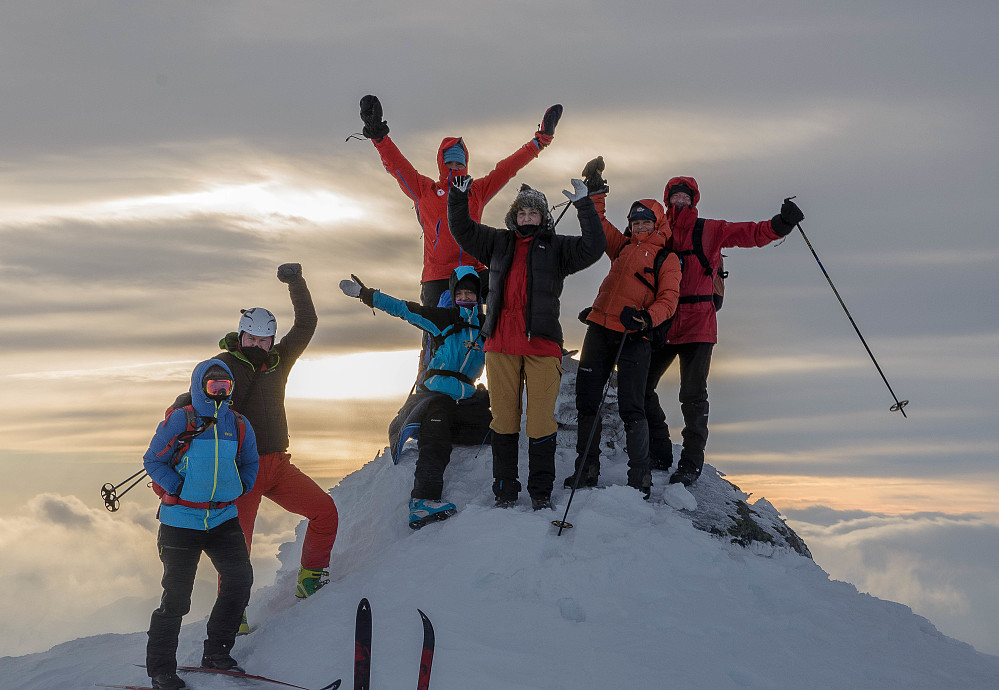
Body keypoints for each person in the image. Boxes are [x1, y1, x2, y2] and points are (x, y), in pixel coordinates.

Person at [172, 264, 338, 610]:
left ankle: (310, 579)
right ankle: (234, 613)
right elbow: (193, 396)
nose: (259, 345)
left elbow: (307, 323)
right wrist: (177, 419)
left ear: (272, 340)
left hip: (278, 464)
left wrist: (296, 282)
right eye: (252, 339)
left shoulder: (280, 360)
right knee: (238, 544)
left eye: (265, 340)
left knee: (324, 512)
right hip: (240, 469)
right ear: (240, 335)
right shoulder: (224, 365)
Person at [448, 175, 606, 510]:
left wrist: (584, 206)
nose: (527, 218)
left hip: (542, 348)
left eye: (534, 213)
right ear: (513, 217)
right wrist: (458, 199)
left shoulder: (558, 248)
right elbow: (463, 231)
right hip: (501, 346)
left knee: (540, 422)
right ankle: (505, 489)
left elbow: (594, 247)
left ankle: (540, 491)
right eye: (522, 213)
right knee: (503, 420)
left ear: (544, 217)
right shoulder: (497, 243)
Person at [645, 177, 804, 486]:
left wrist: (781, 224)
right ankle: (660, 451)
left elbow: (750, 234)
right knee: (641, 386)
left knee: (692, 395)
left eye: (684, 198)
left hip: (699, 323)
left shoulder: (710, 229)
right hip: (664, 321)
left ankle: (690, 464)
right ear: (667, 200)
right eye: (674, 197)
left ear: (693, 201)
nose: (679, 202)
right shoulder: (656, 230)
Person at [358, 94, 562, 307]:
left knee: (509, 293)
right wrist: (378, 136)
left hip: (473, 271)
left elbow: (507, 169)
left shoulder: (476, 191)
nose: (454, 167)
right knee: (436, 331)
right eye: (450, 163)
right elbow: (398, 165)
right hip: (437, 277)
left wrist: (539, 142)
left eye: (459, 163)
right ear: (441, 164)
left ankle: (507, 339)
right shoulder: (424, 190)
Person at [339, 266, 489, 529]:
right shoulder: (443, 318)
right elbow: (403, 309)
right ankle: (423, 500)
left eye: (471, 293)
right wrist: (366, 295)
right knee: (439, 415)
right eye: (460, 293)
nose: (465, 297)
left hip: (465, 399)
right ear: (454, 296)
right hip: (434, 396)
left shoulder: (486, 328)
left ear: (479, 297)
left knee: (494, 428)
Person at [569, 157, 682, 499]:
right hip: (601, 327)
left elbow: (669, 299)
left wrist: (647, 319)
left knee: (631, 405)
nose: (638, 227)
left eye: (645, 222)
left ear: (657, 224)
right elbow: (600, 224)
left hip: (635, 335)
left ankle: (640, 477)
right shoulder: (621, 247)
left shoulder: (666, 258)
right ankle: (586, 470)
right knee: (587, 400)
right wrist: (596, 189)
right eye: (634, 222)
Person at [143, 359, 259, 690]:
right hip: (181, 520)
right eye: (214, 387)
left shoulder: (238, 423)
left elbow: (249, 461)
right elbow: (153, 459)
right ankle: (161, 671)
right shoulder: (183, 419)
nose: (221, 392)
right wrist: (177, 487)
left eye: (226, 387)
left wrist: (242, 485)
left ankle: (217, 654)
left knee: (239, 581)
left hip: (223, 518)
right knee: (177, 597)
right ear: (200, 387)